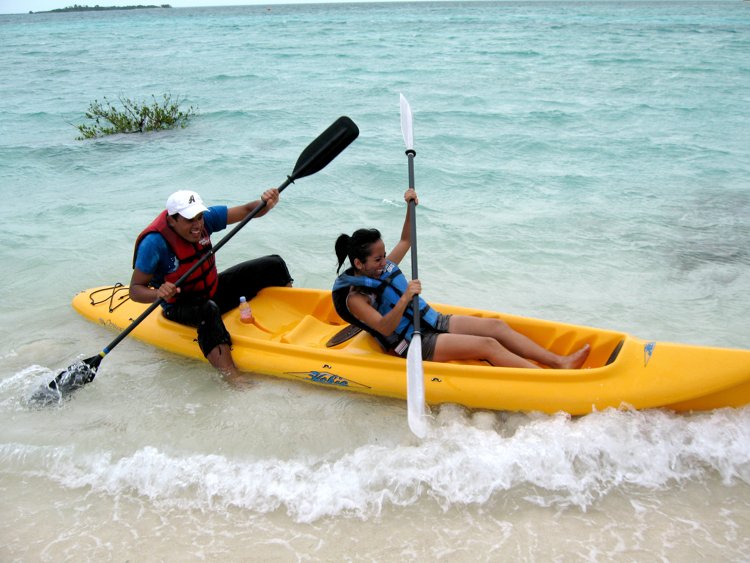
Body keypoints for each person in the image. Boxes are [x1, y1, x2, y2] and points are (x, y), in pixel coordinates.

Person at [332, 189, 590, 369]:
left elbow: (406, 240)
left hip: (431, 321)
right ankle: (545, 380)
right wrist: (406, 298)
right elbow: (386, 328)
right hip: (414, 343)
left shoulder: (382, 268)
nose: (384, 262)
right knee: (487, 345)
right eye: (377, 259)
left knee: (496, 327)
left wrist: (410, 206)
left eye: (384, 255)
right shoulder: (356, 297)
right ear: (359, 263)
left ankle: (559, 362)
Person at [130, 189, 293, 382]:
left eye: (199, 217)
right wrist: (158, 293)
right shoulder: (154, 244)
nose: (197, 225)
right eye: (190, 220)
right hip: (179, 305)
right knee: (208, 310)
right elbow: (135, 290)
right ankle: (232, 376)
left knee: (274, 264)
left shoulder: (205, 221)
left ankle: (288, 319)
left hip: (211, 290)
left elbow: (249, 210)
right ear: (172, 220)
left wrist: (266, 202)